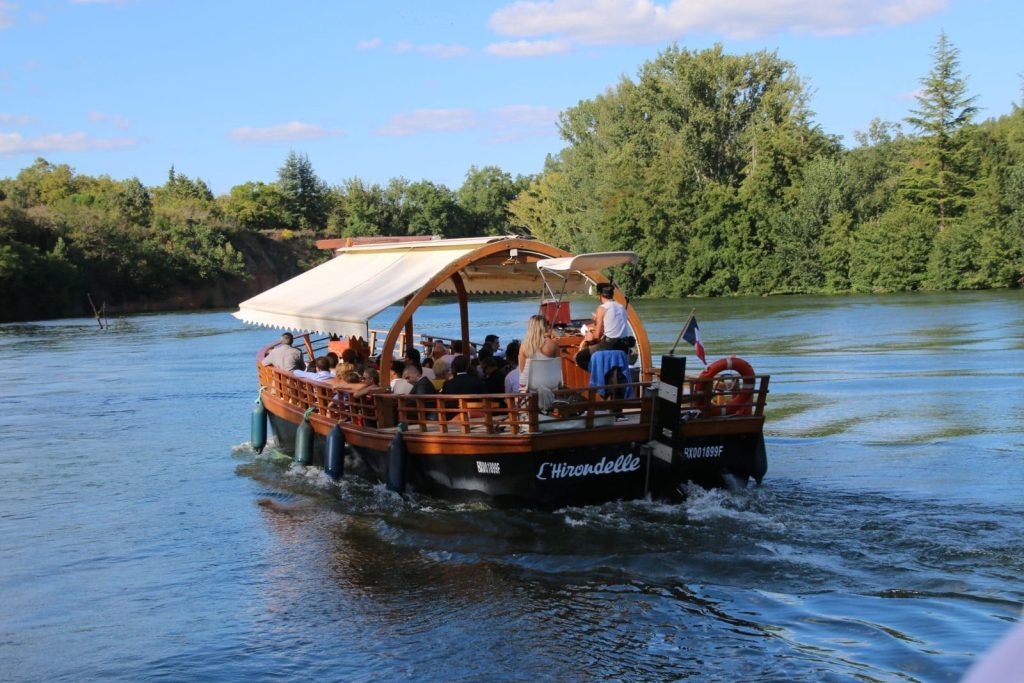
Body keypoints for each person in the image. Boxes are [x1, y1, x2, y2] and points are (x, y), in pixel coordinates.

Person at [592, 282, 631, 351]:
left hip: (610, 345)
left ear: (600, 294)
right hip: (624, 345)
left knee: (581, 356)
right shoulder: (621, 307)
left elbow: (597, 337)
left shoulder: (602, 308)